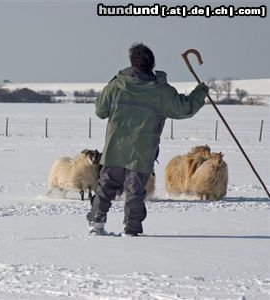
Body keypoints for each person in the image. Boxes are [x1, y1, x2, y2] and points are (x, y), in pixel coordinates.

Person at [87, 42, 209, 236]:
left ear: (132, 62)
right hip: (142, 152)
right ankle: (131, 230)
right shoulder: (161, 90)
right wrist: (200, 93)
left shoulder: (117, 85)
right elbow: (184, 109)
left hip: (114, 149)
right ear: (152, 64)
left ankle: (96, 222)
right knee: (135, 193)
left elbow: (101, 111)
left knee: (106, 187)